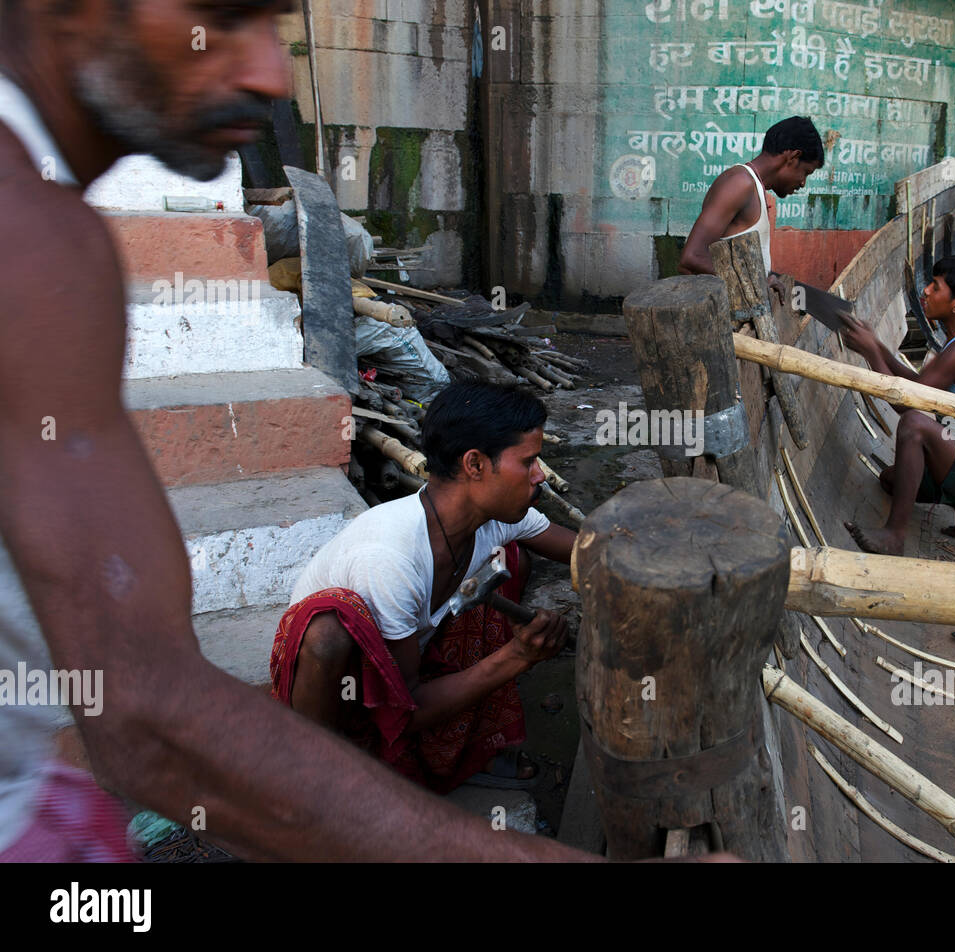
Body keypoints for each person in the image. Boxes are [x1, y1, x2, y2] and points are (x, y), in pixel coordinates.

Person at [0, 0, 593, 861]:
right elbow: (144, 713)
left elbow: (126, 710)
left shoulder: (51, 230)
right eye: (222, 17)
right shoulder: (36, 241)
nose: (271, 74)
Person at [273, 383, 573, 793]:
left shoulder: (497, 517)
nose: (539, 475)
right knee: (328, 632)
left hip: (410, 656)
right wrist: (517, 656)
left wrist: (658, 549)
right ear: (475, 464)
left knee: (513, 561)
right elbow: (406, 709)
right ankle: (316, 778)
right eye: (529, 461)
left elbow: (587, 551)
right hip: (349, 691)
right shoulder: (389, 557)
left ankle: (458, 748)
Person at [840, 256, 955, 557]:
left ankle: (894, 536)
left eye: (936, 287)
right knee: (891, 480)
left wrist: (870, 353)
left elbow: (908, 403)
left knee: (914, 424)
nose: (926, 291)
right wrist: (876, 346)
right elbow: (919, 384)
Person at [678, 115, 824, 289]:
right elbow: (691, 258)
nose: (802, 183)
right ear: (793, 157)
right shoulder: (740, 183)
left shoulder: (755, 188)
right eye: (806, 172)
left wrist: (762, 281)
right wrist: (757, 283)